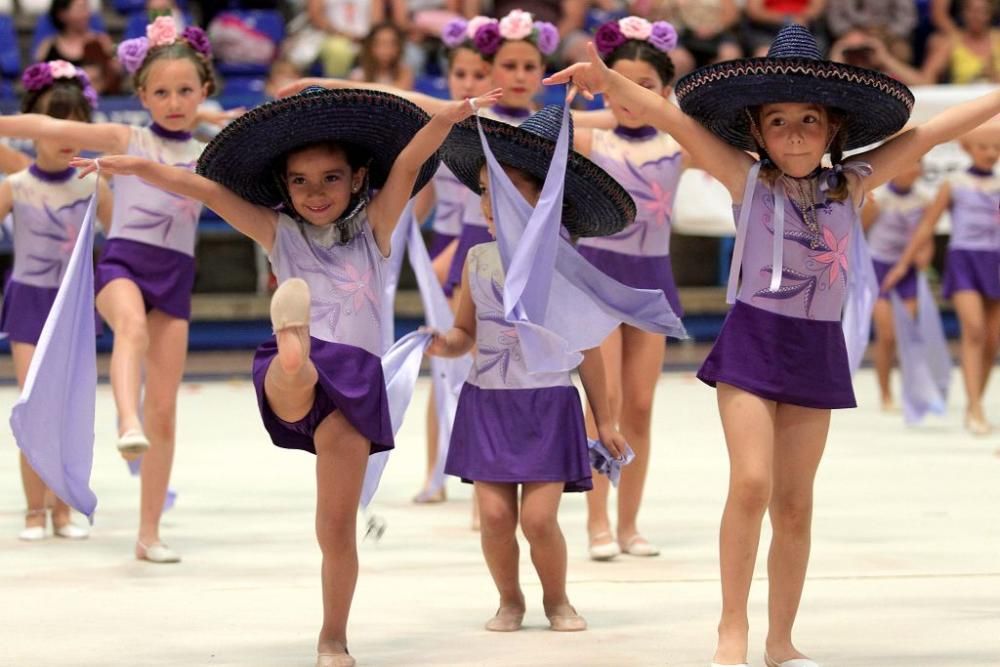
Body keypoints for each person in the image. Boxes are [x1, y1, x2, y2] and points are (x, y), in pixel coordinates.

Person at [545, 23, 1000, 667]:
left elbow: (936, 130)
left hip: (816, 348)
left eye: (808, 120)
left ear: (833, 128)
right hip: (754, 342)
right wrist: (609, 79)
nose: (793, 133)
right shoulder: (746, 178)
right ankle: (732, 627)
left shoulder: (855, 182)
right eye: (778, 121)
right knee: (753, 482)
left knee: (794, 503)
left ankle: (780, 640)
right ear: (755, 131)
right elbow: (667, 118)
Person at [73, 85, 501, 667]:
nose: (314, 192)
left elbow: (406, 165)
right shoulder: (279, 232)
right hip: (297, 376)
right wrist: (134, 166)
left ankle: (333, 637)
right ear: (283, 186)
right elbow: (202, 187)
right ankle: (293, 347)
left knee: (335, 529)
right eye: (299, 181)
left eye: (329, 178)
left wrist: (448, 117)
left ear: (356, 179)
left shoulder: (376, 226)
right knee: (293, 370)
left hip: (353, 385)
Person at [431, 102, 682, 634]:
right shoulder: (478, 260)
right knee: (497, 518)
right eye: (484, 188)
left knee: (539, 519)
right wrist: (440, 343)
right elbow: (464, 335)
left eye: (507, 187)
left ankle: (558, 599)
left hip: (546, 406)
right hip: (489, 405)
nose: (490, 199)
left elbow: (588, 350)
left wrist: (607, 421)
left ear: (547, 200)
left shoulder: (568, 265)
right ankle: (509, 599)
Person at [0, 16, 215, 563]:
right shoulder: (128, 137)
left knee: (165, 409)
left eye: (185, 91)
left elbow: (243, 129)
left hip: (176, 277)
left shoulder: (213, 154)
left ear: (204, 92)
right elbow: (46, 129)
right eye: (161, 91)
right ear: (141, 95)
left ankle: (148, 534)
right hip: (123, 265)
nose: (173, 102)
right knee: (131, 327)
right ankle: (125, 419)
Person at [576, 16, 688, 561]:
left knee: (640, 406)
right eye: (619, 83)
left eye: (646, 86)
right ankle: (597, 521)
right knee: (605, 403)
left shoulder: (679, 143)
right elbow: (510, 120)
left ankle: (629, 524)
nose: (630, 96)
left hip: (651, 283)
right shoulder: (588, 137)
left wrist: (646, 105)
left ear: (666, 92)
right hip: (597, 281)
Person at [0, 61, 111, 541]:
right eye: (55, 126)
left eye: (74, 127)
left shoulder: (93, 184)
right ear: (34, 131)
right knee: (34, 403)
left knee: (67, 407)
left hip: (73, 306)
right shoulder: (16, 186)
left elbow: (125, 237)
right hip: (29, 300)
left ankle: (62, 509)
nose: (65, 138)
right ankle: (33, 511)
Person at [884, 123, 1000, 435]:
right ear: (967, 149)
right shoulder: (954, 183)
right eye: (983, 147)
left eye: (996, 148)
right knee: (973, 329)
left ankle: (976, 402)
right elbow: (926, 226)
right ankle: (974, 406)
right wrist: (904, 263)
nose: (990, 153)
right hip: (964, 259)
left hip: (995, 261)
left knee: (991, 339)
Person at [861, 160, 932, 411]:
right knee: (887, 335)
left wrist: (925, 254)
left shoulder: (923, 200)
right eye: (909, 165)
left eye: (917, 166)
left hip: (907, 271)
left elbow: (926, 237)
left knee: (907, 335)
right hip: (879, 268)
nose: (914, 170)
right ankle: (885, 393)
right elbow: (859, 232)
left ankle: (910, 391)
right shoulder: (879, 199)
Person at [349, 21, 414, 89]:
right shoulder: (358, 75)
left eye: (392, 44)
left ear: (399, 47)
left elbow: (402, 94)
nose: (387, 49)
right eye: (381, 43)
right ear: (370, 46)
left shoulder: (404, 73)